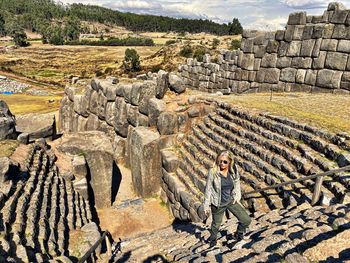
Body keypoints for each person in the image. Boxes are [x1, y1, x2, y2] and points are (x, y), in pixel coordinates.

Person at [203, 150, 251, 245]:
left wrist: (237, 196)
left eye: (225, 162)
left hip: (230, 200)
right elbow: (208, 189)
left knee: (246, 220)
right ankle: (212, 239)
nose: (222, 164)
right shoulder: (213, 172)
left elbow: (237, 182)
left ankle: (238, 234)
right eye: (220, 161)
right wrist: (206, 205)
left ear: (230, 162)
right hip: (218, 203)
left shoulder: (233, 170)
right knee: (216, 225)